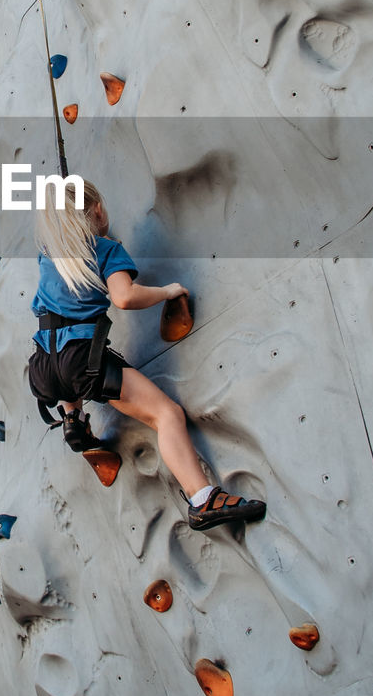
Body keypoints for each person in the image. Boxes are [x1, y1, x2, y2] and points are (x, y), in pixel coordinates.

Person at [28, 179, 266, 531]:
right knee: (166, 415)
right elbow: (124, 297)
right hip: (82, 362)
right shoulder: (105, 250)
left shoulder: (49, 256)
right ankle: (203, 499)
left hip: (45, 366)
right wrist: (168, 290)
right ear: (96, 210)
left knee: (69, 370)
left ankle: (73, 419)